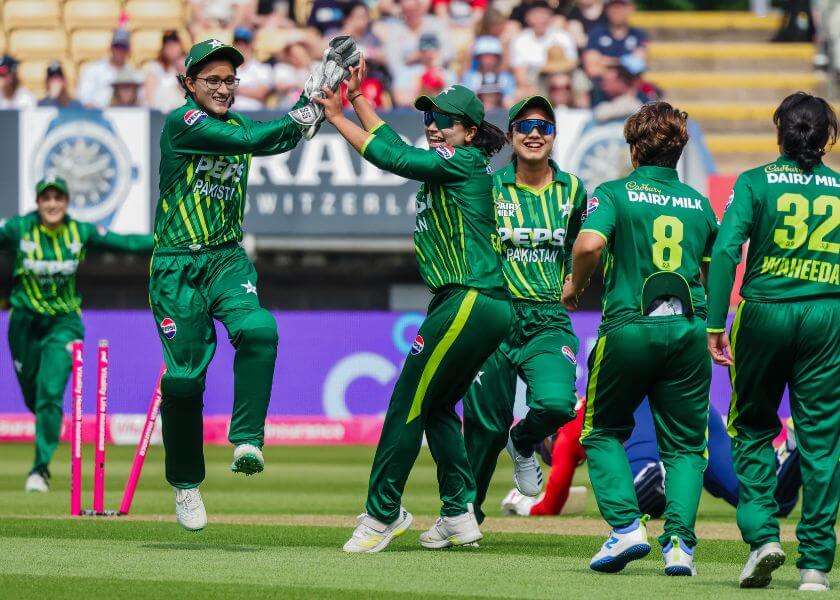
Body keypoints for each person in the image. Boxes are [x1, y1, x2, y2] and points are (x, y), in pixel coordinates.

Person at [315, 60, 512, 553]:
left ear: (469, 132)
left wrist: (338, 117)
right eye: (428, 115)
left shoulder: (460, 162)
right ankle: (457, 512)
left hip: (467, 297)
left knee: (406, 402)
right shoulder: (452, 162)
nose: (433, 125)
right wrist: (359, 99)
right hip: (475, 302)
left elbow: (394, 159)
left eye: (445, 120)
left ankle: (382, 515)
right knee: (438, 406)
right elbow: (400, 148)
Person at [150, 38, 312, 531]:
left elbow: (278, 139)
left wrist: (317, 98)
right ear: (188, 85)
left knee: (260, 329)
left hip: (225, 260)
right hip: (177, 266)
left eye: (229, 80)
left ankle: (247, 440)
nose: (223, 89)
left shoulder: (239, 122)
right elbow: (251, 142)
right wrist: (303, 111)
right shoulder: (183, 123)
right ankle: (185, 482)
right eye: (212, 81)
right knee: (182, 381)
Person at [562, 101, 718, 576]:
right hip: (689, 330)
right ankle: (680, 548)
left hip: (630, 326)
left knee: (602, 430)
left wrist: (576, 283)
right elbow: (711, 269)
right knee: (687, 448)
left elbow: (589, 243)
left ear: (633, 149)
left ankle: (627, 527)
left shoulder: (613, 193)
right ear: (680, 149)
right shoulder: (699, 204)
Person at [706, 92, 840, 593]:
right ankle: (816, 567)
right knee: (822, 439)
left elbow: (724, 250)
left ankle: (763, 537)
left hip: (762, 312)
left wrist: (714, 322)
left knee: (753, 425)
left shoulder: (754, 181)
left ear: (779, 130)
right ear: (827, 136)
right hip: (828, 313)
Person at [462, 95, 587, 524]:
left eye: (545, 127)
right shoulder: (490, 187)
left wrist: (576, 279)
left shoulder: (573, 188)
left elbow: (576, 245)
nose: (535, 134)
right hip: (496, 318)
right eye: (526, 127)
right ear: (512, 134)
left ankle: (525, 440)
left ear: (554, 136)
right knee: (484, 428)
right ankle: (464, 512)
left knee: (557, 404)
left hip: (548, 320)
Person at [0, 176, 153, 492]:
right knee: (35, 397)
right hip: (24, 325)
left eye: (58, 198)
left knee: (50, 393)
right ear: (38, 202)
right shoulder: (18, 229)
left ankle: (39, 470)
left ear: (67, 202)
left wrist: (167, 240)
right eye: (46, 198)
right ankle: (46, 427)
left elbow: (125, 243)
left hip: (63, 323)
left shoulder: (80, 232)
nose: (52, 204)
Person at [502, 400, 802, 521]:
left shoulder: (567, 432)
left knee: (638, 494)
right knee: (771, 505)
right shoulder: (578, 414)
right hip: (694, 411)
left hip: (660, 419)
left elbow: (552, 504)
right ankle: (789, 449)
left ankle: (664, 474)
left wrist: (524, 504)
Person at [510, 1, 578, 98]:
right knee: (521, 93)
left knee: (576, 83)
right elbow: (520, 75)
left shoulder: (563, 36)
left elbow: (572, 63)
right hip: (535, 79)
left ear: (551, 16)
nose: (540, 19)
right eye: (536, 15)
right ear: (527, 18)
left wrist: (558, 79)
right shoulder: (519, 40)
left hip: (563, 75)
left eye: (543, 15)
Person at [583, 0, 648, 79]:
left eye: (621, 7)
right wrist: (626, 62)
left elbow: (638, 66)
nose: (617, 11)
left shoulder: (638, 35)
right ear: (606, 9)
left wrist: (606, 62)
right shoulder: (596, 33)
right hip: (601, 86)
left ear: (630, 9)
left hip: (629, 86)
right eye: (613, 7)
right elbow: (592, 69)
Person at [392, 33, 456, 108]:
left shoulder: (448, 74)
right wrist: (422, 89)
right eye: (425, 50)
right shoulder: (406, 71)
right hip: (413, 115)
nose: (429, 53)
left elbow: (455, 102)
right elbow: (399, 99)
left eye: (434, 48)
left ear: (439, 50)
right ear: (419, 51)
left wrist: (439, 85)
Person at [77, 30, 133, 109]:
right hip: (95, 114)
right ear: (110, 48)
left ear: (129, 50)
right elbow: (83, 98)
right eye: (117, 47)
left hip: (123, 115)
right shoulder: (93, 70)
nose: (120, 51)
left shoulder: (133, 75)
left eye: (123, 48)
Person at [461, 36, 516, 104]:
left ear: (498, 58)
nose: (488, 61)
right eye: (485, 57)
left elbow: (510, 98)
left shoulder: (506, 77)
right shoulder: (470, 77)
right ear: (478, 58)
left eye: (492, 57)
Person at [144, 30, 188, 113]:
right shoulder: (155, 67)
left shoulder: (186, 64)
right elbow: (149, 96)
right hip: (161, 110)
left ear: (180, 46)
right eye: (168, 45)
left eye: (174, 44)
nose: (171, 48)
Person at [231, 27, 273, 111]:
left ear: (251, 45)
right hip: (230, 114)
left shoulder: (263, 68)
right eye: (237, 43)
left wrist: (234, 90)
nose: (241, 47)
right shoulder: (228, 68)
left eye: (245, 43)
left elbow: (261, 93)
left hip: (253, 115)